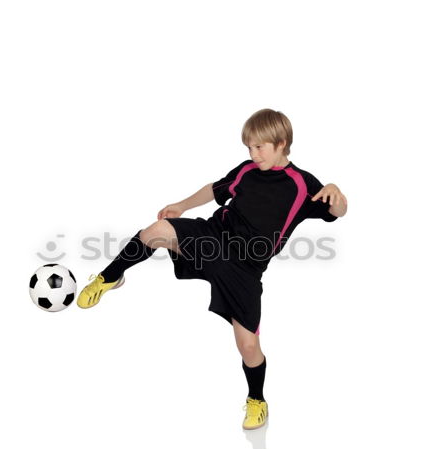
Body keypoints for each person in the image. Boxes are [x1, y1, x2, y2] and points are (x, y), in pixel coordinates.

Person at [77, 108, 348, 430]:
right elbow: (215, 188)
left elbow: (338, 211)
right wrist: (181, 205)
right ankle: (110, 277)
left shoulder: (302, 184)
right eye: (249, 147)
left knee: (249, 347)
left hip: (244, 268)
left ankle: (257, 400)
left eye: (260, 147)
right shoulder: (247, 170)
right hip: (212, 236)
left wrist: (337, 191)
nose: (253, 153)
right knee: (156, 232)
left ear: (281, 143)